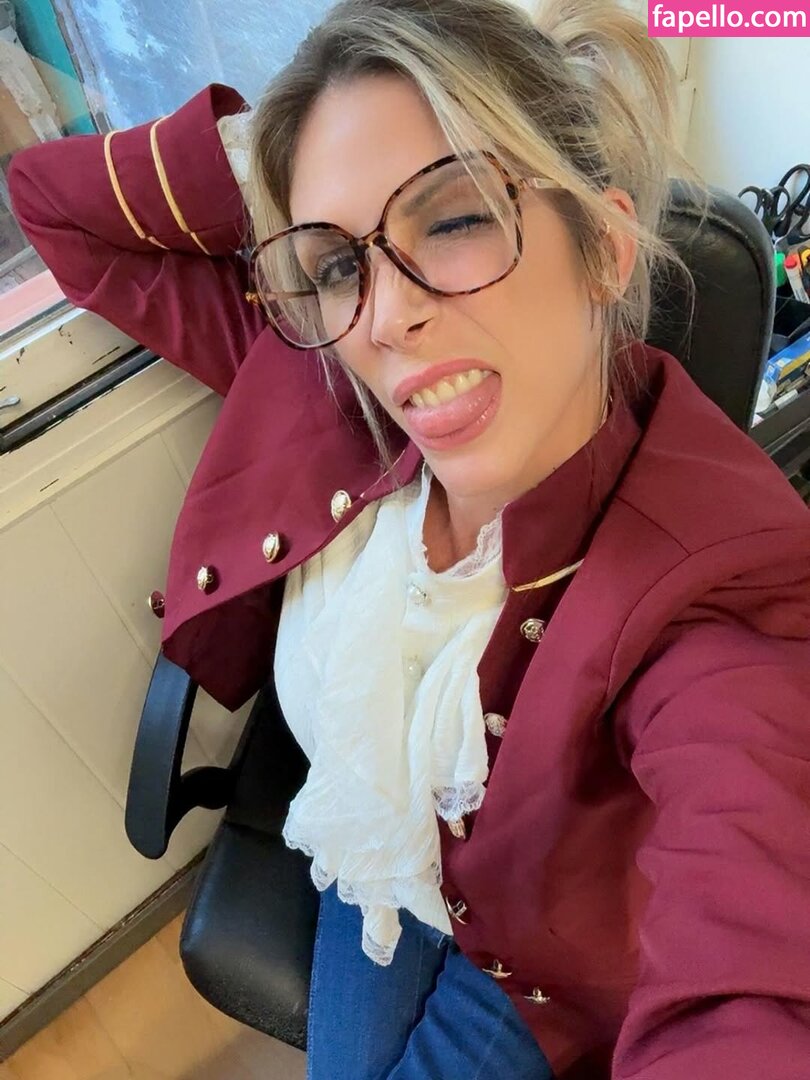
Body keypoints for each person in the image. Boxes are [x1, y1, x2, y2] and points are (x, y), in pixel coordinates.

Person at [7, 0, 810, 1076]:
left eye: (456, 216)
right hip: (366, 841)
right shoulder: (325, 370)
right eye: (340, 264)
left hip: (528, 964)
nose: (388, 317)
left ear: (607, 249)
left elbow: (761, 948)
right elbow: (48, 202)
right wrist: (287, 153)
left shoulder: (713, 579)